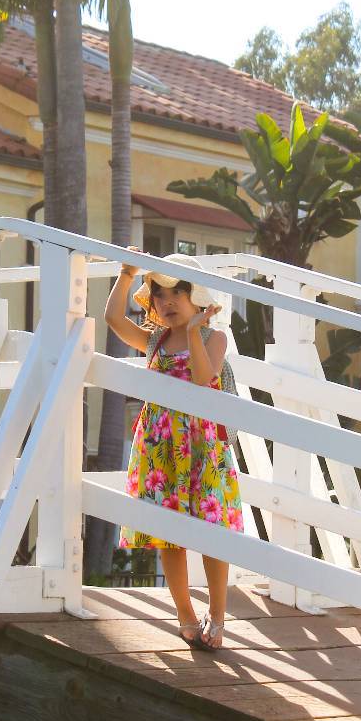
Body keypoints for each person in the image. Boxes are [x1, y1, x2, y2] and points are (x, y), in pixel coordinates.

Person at [104, 251, 244, 651]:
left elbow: (204, 379)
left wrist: (199, 329)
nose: (166, 303)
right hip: (160, 445)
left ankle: (217, 620)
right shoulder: (155, 340)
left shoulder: (214, 337)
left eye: (176, 294)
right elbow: (114, 320)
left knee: (213, 533)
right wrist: (127, 273)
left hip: (203, 446)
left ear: (196, 297)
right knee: (169, 535)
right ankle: (184, 614)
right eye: (159, 294)